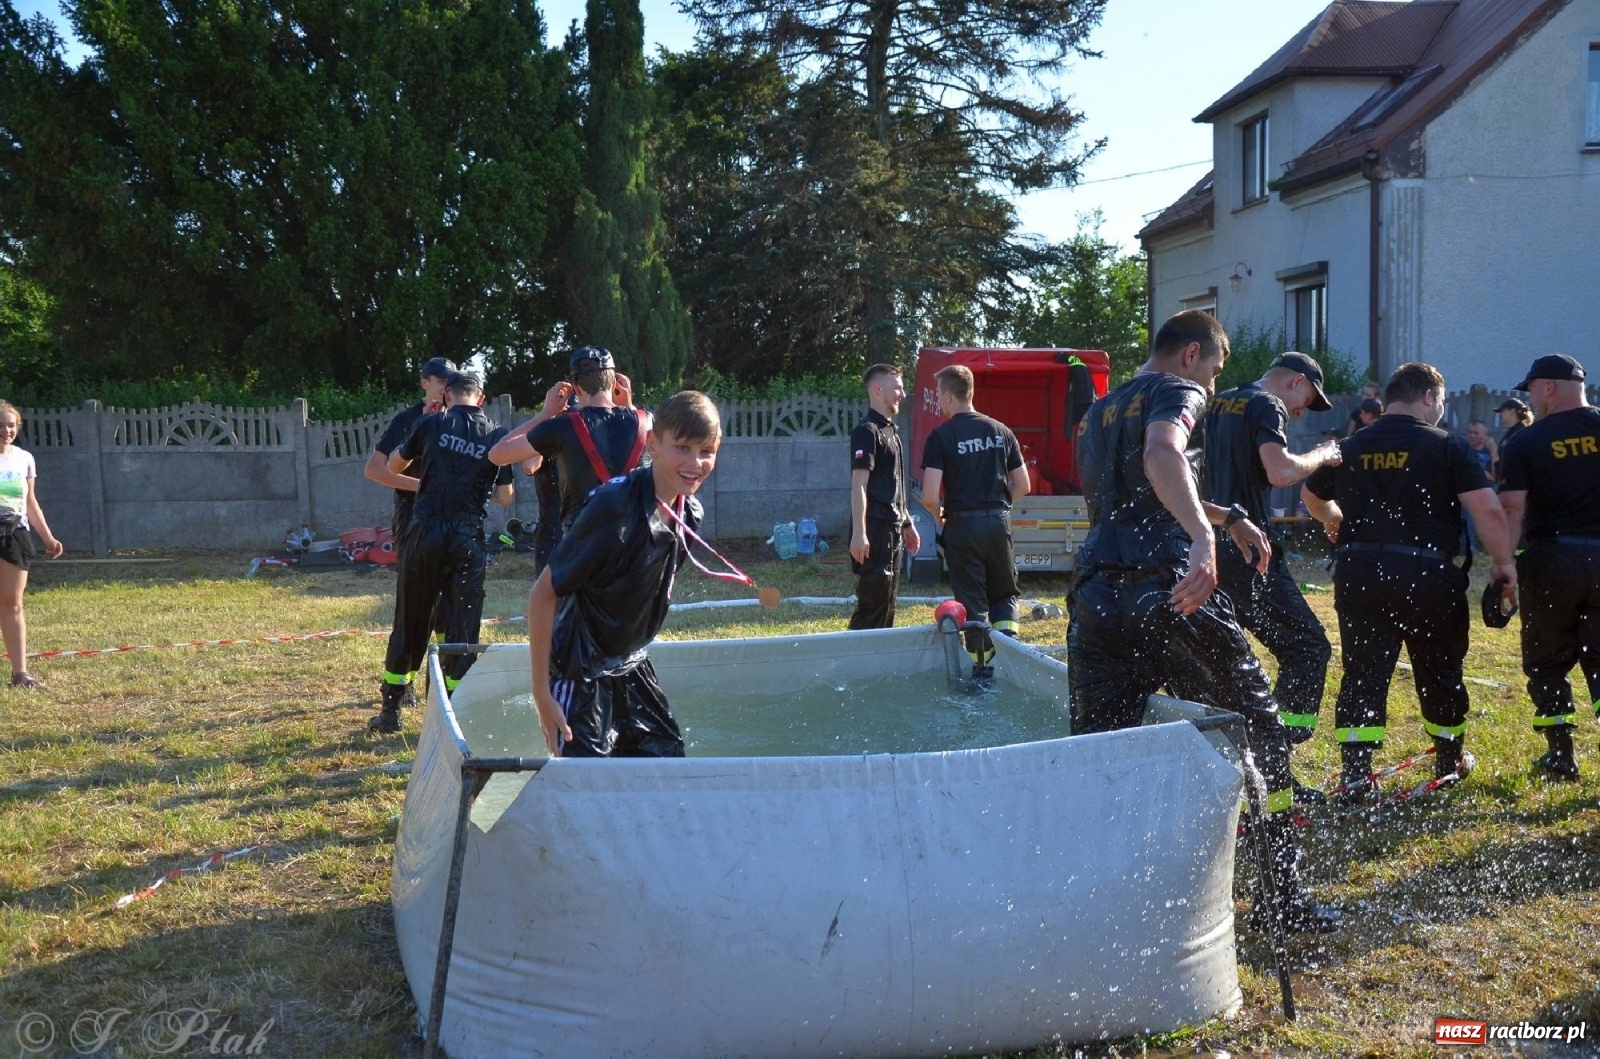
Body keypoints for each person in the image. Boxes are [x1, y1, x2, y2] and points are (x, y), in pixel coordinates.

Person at [1069, 310, 1337, 933]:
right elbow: (1165, 452)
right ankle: (1282, 899)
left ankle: (1099, 897)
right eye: (1215, 370)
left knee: (1102, 747)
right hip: (1171, 588)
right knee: (1260, 736)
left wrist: (1225, 514)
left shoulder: (1099, 411)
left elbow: (1140, 486)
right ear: (1192, 354)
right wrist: (1199, 538)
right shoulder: (1177, 389)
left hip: (1097, 595)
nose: (1214, 387)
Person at [1302, 363, 1517, 794]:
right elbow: (1488, 510)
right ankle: (1448, 758)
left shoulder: (1352, 445)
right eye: (1439, 403)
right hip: (1427, 575)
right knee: (1439, 667)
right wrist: (1504, 565)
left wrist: (1333, 520)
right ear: (1429, 398)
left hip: (1359, 571)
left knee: (1363, 670)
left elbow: (1311, 495)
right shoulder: (1447, 446)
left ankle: (1356, 775)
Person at [528, 391, 722, 758]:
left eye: (706, 450)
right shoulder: (612, 508)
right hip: (580, 671)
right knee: (586, 789)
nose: (695, 462)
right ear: (653, 443)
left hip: (632, 664)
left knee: (667, 771)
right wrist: (542, 694)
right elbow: (542, 594)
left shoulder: (689, 512)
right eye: (682, 447)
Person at [1202, 353, 1343, 795]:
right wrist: (1323, 454)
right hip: (1249, 552)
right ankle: (1277, 756)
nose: (1302, 410)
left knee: (1231, 664)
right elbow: (1280, 471)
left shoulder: (1218, 401)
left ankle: (1243, 769)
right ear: (1296, 382)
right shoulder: (1269, 404)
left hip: (1210, 545)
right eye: (1307, 400)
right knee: (1307, 648)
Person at [372, 371, 514, 733]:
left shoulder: (430, 423)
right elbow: (505, 497)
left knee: (411, 615)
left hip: (425, 531)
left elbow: (393, 466)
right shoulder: (497, 435)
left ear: (447, 395)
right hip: (467, 536)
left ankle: (391, 710)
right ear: (480, 399)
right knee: (462, 623)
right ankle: (456, 712)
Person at [1496, 354, 1600, 780]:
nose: (1531, 400)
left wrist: (1505, 565)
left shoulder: (1525, 442)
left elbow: (1511, 508)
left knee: (1546, 659)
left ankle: (1561, 755)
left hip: (1552, 560)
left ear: (1550, 387)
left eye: (1533, 391)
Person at [918, 364, 1030, 680]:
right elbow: (1022, 485)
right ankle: (1011, 652)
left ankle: (983, 669)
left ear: (950, 396)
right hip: (998, 523)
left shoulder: (940, 437)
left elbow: (929, 495)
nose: (938, 401)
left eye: (939, 395)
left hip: (963, 526)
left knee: (972, 601)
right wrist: (997, 506)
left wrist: (941, 519)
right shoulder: (1001, 430)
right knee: (1005, 594)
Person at [489, 347, 648, 532]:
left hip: (583, 545)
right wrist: (629, 407)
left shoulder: (562, 427)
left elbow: (496, 454)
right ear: (614, 383)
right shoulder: (647, 422)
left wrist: (545, 414)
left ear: (576, 387)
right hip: (635, 543)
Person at [848, 364, 920, 629]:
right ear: (879, 389)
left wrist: (907, 523)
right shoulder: (867, 432)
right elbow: (859, 485)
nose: (903, 393)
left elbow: (896, 486)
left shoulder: (893, 433)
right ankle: (852, 666)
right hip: (874, 531)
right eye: (897, 387)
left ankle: (880, 664)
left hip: (893, 530)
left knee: (888, 602)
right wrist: (859, 532)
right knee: (872, 605)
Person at [0, 401, 64, 689]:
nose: (6, 430)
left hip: (15, 534)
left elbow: (30, 502)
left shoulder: (24, 458)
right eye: (1, 425)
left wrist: (47, 537)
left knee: (12, 603)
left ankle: (20, 674)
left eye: (11, 425)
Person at [364, 356, 457, 538]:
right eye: (441, 381)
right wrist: (423, 486)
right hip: (413, 517)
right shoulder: (406, 420)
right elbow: (373, 469)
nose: (446, 387)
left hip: (450, 516)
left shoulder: (459, 420)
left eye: (451, 382)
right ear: (424, 383)